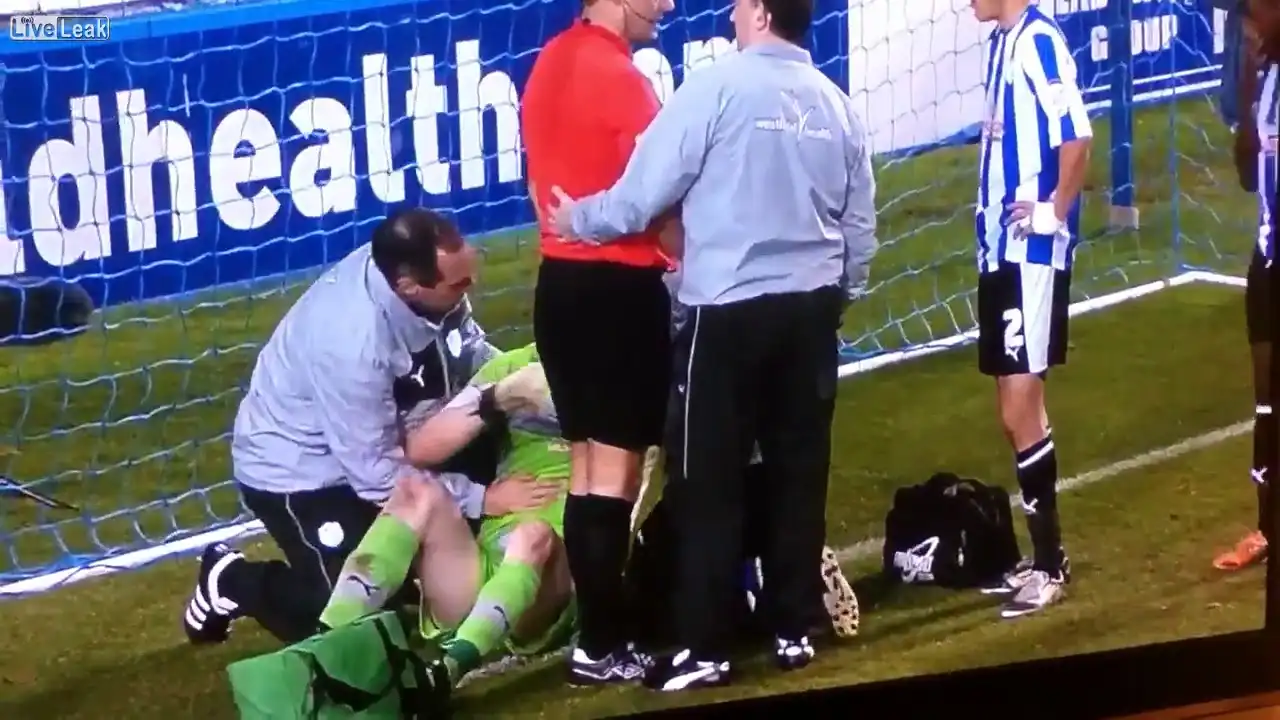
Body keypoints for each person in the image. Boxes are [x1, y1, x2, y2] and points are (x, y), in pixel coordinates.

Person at [550, 0, 877, 691]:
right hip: (811, 312)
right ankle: (794, 629)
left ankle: (706, 647)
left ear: (760, 11)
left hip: (727, 314)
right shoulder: (837, 104)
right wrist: (836, 297)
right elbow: (860, 226)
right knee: (797, 473)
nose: (729, 14)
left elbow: (642, 196)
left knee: (706, 481)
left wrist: (577, 218)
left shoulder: (715, 89)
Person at [181, 208, 528, 645]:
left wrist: (518, 377)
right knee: (351, 622)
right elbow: (376, 476)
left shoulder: (414, 276)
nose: (469, 287)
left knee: (500, 442)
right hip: (304, 475)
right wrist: (481, 498)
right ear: (408, 285)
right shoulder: (353, 347)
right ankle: (232, 580)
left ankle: (418, 569)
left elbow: (468, 351)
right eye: (458, 285)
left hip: (395, 438)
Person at [520, 0, 679, 685]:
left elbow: (538, 186)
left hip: (558, 288)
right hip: (618, 294)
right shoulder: (621, 79)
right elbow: (662, 200)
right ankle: (602, 643)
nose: (667, 5)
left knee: (587, 470)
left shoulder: (548, 63)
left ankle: (598, 639)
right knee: (613, 477)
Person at [316, 343, 576, 699]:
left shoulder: (629, 369)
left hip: (557, 570)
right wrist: (499, 397)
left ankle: (449, 668)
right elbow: (423, 448)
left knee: (533, 535)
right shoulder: (514, 365)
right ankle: (321, 642)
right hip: (482, 565)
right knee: (415, 492)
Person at [966, 0, 1092, 618]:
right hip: (1001, 253)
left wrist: (1052, 210)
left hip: (1030, 255)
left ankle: (1049, 564)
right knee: (1016, 409)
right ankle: (1044, 558)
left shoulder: (1040, 41)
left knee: (1020, 406)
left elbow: (1078, 136)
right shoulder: (1003, 41)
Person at [1215, 0, 1280, 570]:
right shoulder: (1266, 82)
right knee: (1265, 398)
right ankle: (1266, 527)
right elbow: (1245, 177)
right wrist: (1247, 91)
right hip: (1267, 260)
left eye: (1257, 14)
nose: (1249, 27)